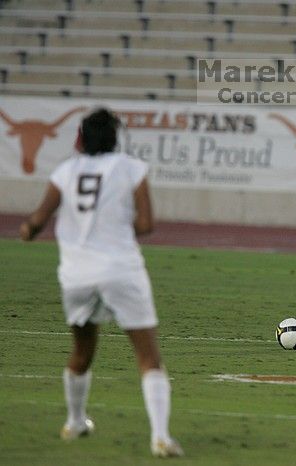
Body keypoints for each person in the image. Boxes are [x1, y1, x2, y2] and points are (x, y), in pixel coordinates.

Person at [19, 108, 183, 458]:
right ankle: (160, 437)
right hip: (120, 269)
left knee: (82, 350)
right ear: (115, 138)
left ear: (80, 139)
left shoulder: (65, 172)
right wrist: (116, 228)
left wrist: (28, 230)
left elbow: (37, 220)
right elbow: (146, 225)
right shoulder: (130, 168)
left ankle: (75, 421)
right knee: (148, 357)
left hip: (76, 275)